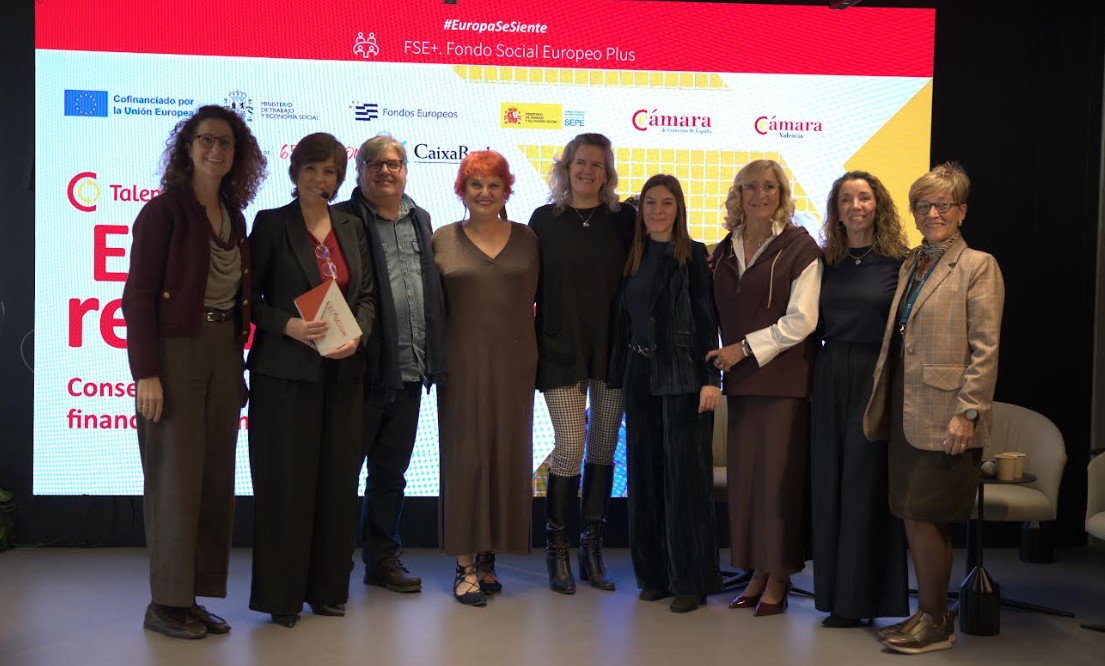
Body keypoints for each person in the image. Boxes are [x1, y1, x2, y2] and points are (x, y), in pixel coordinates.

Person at [121, 104, 266, 639]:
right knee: (175, 480)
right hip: (174, 352)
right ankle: (165, 603)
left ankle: (192, 597)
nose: (215, 150)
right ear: (188, 147)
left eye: (226, 142)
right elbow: (137, 297)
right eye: (206, 140)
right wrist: (146, 373)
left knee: (213, 479)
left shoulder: (234, 213)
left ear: (237, 154)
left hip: (223, 352)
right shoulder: (163, 212)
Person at [864, 162, 1004, 654]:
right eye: (923, 206)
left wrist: (968, 412)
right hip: (908, 408)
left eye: (942, 205)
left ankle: (938, 623)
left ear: (961, 211)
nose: (932, 214)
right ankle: (926, 613)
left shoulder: (978, 265)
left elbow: (985, 349)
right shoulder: (912, 263)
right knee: (911, 513)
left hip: (948, 415)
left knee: (927, 516)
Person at [246, 132, 376, 628]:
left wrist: (357, 336)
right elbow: (248, 300)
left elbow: (367, 295)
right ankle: (282, 596)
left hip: (343, 374)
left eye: (329, 172)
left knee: (337, 484)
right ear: (295, 172)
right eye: (311, 169)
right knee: (286, 484)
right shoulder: (271, 223)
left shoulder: (351, 225)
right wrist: (288, 326)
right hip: (284, 375)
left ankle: (326, 590)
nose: (319, 180)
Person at [707, 159, 822, 616]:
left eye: (769, 187)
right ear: (738, 195)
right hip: (742, 383)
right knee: (749, 483)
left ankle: (779, 576)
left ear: (782, 194)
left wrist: (744, 348)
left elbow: (803, 320)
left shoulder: (801, 247)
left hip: (783, 382)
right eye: (750, 187)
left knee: (778, 485)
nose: (760, 195)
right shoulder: (725, 249)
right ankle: (756, 570)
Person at [333, 134, 446, 594]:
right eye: (374, 163)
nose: (385, 171)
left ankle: (382, 560)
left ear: (405, 171)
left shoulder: (421, 218)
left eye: (394, 163)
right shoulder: (341, 219)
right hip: (359, 371)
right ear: (359, 171)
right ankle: (332, 563)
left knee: (391, 474)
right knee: (342, 473)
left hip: (409, 370)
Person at [607, 174, 721, 613]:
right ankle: (654, 574)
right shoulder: (631, 256)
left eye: (666, 202)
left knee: (685, 482)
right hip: (639, 375)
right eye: (650, 202)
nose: (657, 210)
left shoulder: (693, 255)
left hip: (684, 378)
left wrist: (711, 379)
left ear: (679, 208)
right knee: (645, 477)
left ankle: (690, 579)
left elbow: (706, 318)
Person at [527, 133, 635, 593]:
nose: (588, 171)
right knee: (571, 445)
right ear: (566, 167)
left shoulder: (626, 219)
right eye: (580, 163)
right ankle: (557, 548)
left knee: (603, 447)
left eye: (597, 164)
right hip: (560, 348)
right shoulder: (543, 220)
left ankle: (592, 547)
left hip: (612, 349)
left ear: (607, 173)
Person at [432, 151, 539, 606]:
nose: (484, 193)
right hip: (461, 364)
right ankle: (465, 565)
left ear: (506, 190)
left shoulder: (528, 239)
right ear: (462, 190)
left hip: (515, 365)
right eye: (475, 184)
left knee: (505, 457)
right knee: (466, 459)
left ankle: (488, 556)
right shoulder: (442, 239)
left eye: (494, 184)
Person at [810, 171, 911, 628]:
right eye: (846, 199)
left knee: (862, 485)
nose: (856, 206)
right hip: (829, 372)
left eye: (864, 197)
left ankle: (859, 601)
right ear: (836, 210)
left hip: (876, 374)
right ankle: (834, 595)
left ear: (878, 205)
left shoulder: (899, 263)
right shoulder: (824, 261)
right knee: (829, 483)